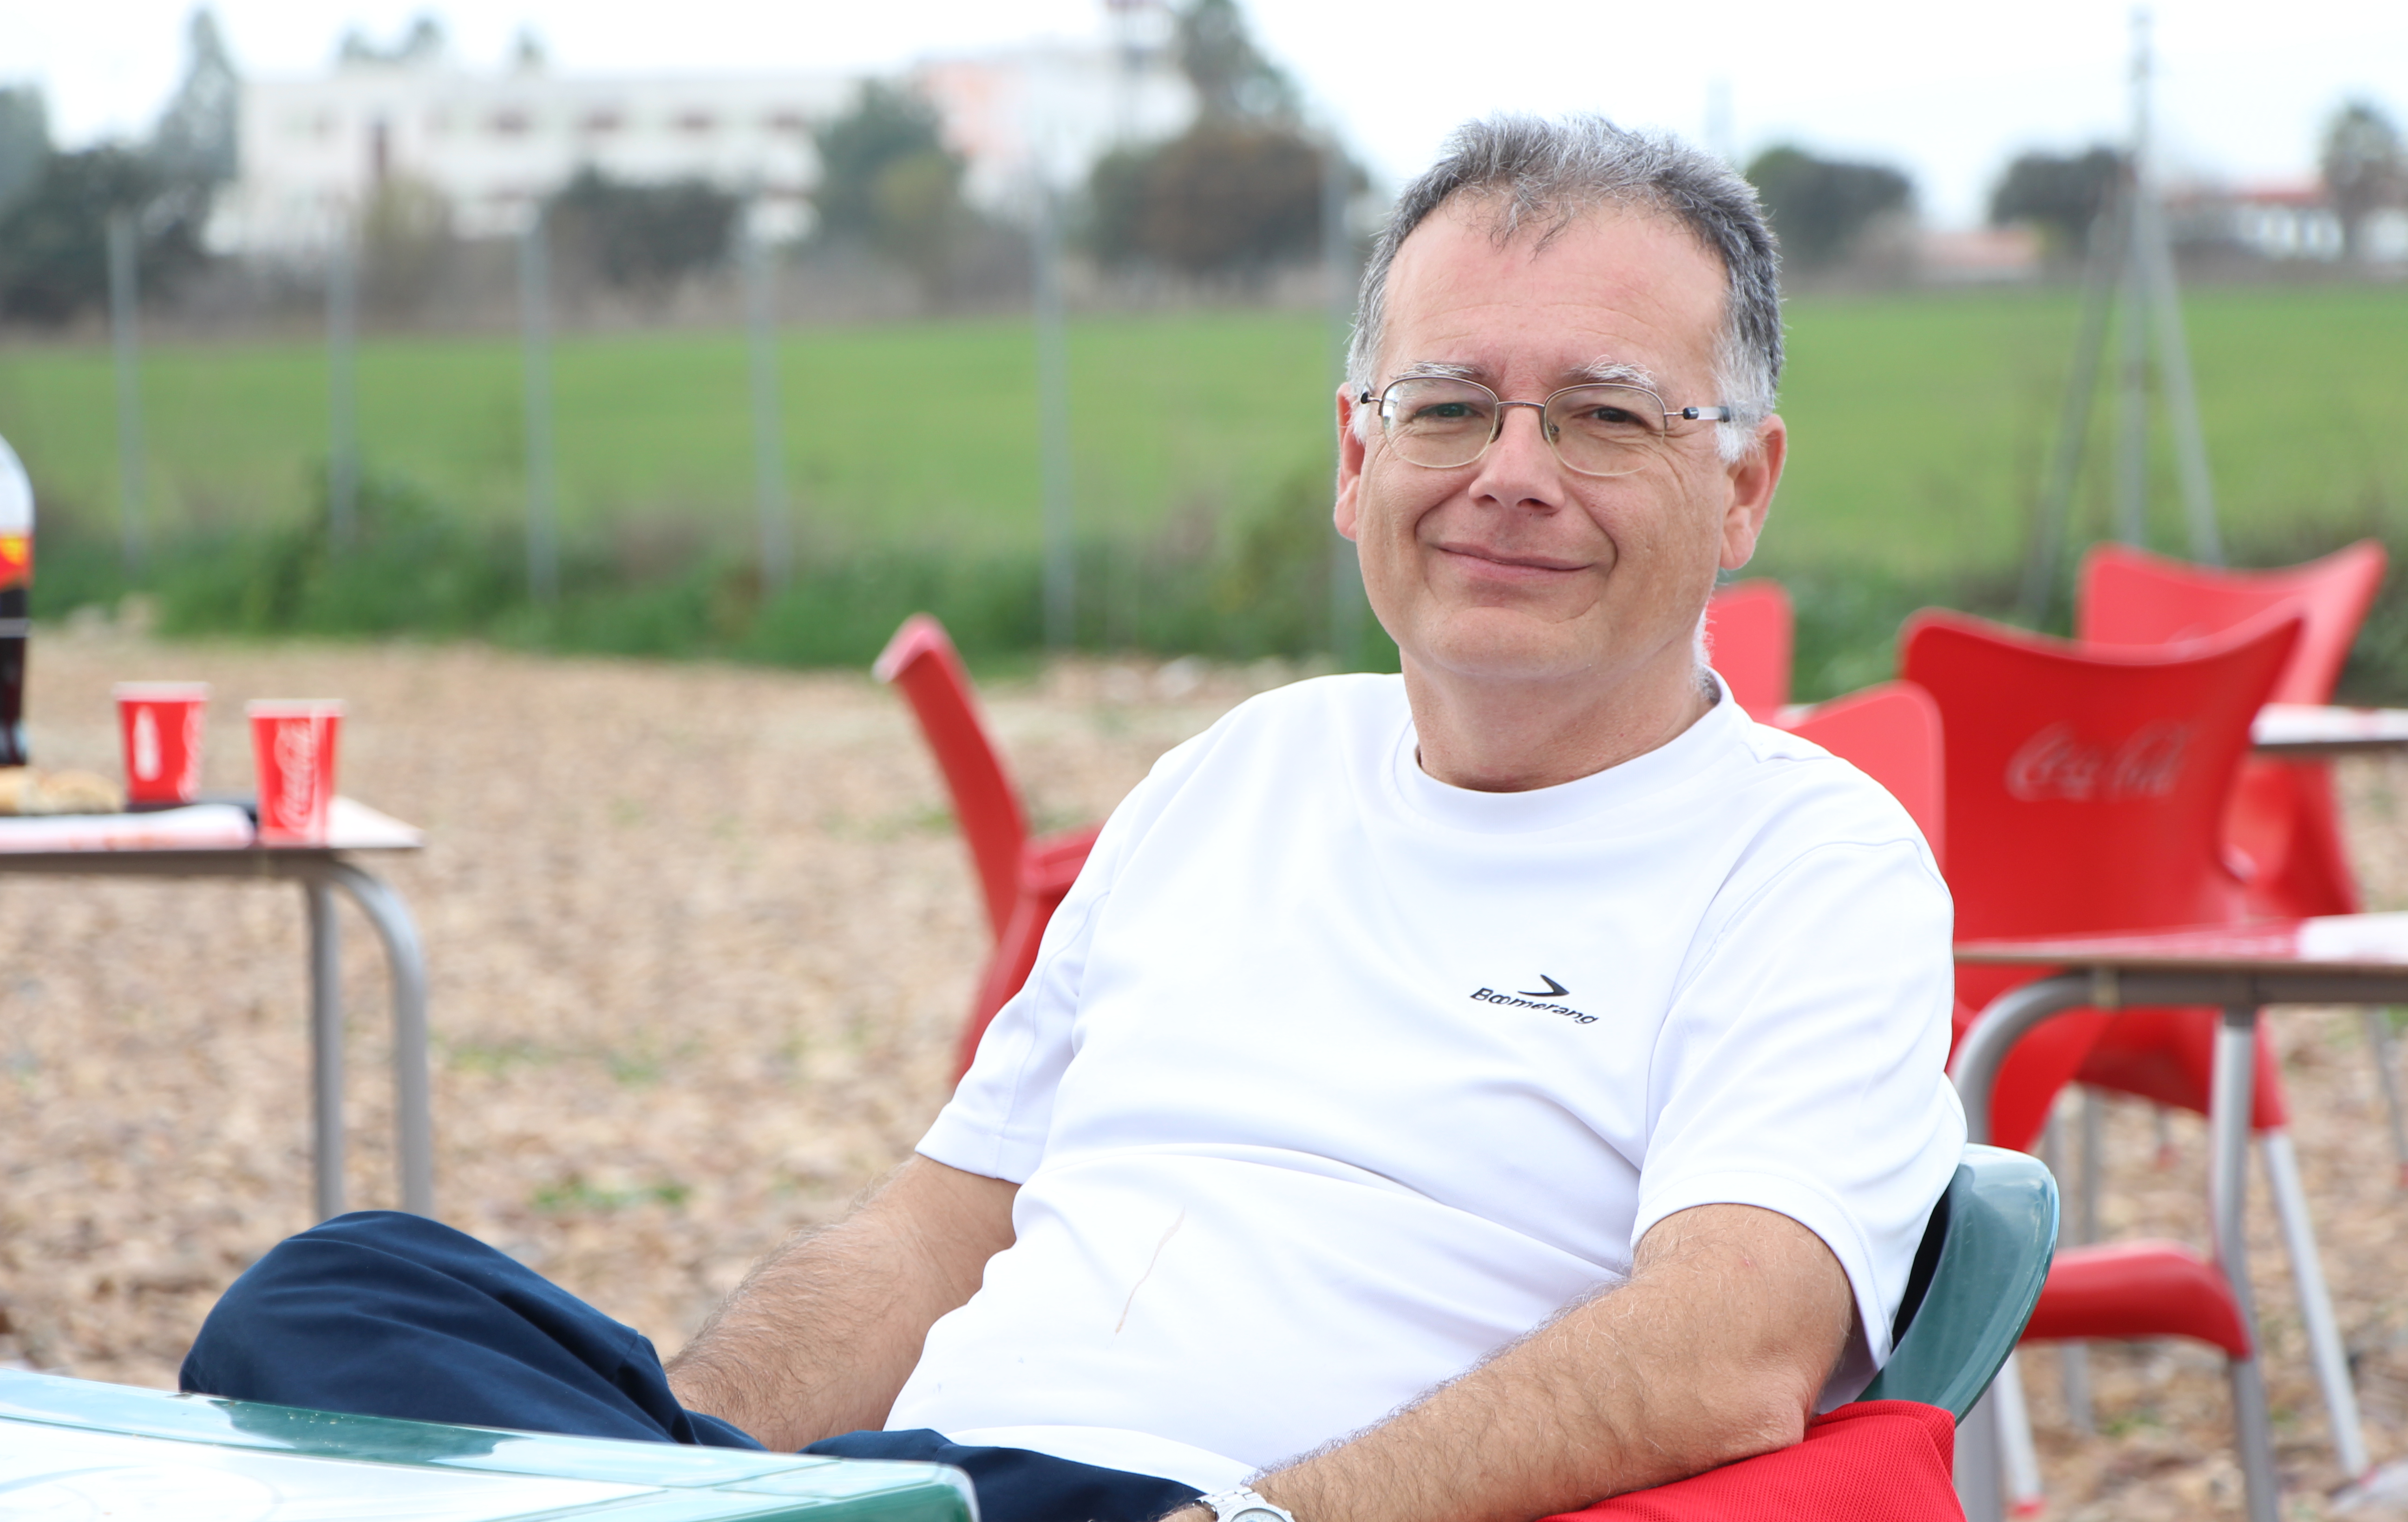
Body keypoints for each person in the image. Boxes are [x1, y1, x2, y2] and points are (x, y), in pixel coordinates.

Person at [183, 114, 1963, 1522]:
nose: (1510, 475)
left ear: (1744, 483)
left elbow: (1730, 1348)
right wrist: (700, 1472)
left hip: (1221, 1508)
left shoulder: (1811, 864)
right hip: (920, 1493)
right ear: (1358, 460)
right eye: (1448, 407)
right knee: (339, 1297)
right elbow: (934, 1232)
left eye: (1603, 417)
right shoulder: (1236, 774)